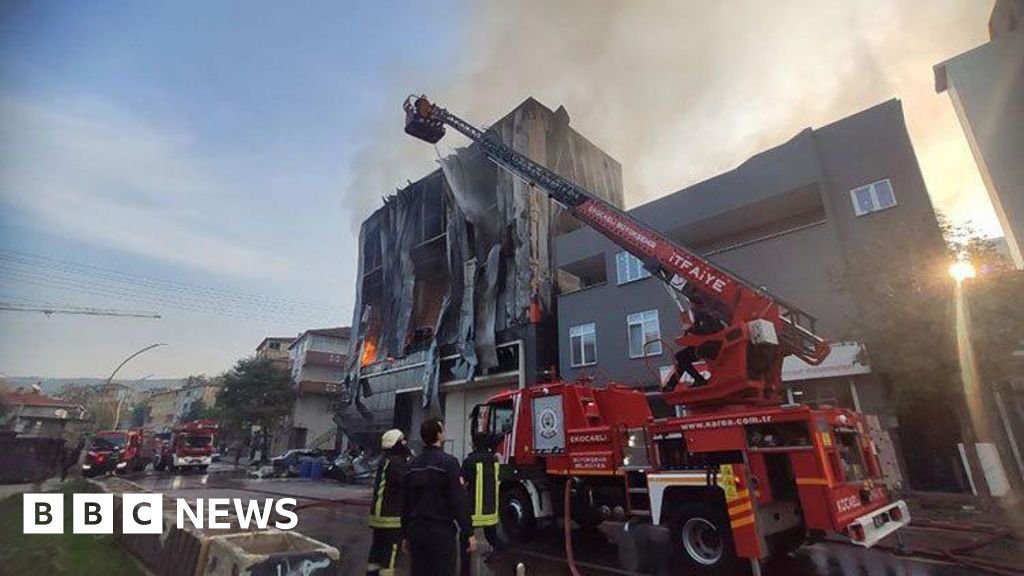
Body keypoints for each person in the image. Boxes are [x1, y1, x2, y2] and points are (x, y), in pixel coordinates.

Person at [401, 419, 475, 576]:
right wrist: (468, 531)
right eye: (443, 430)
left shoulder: (412, 465)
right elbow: (458, 499)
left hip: (416, 531)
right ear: (439, 435)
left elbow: (406, 503)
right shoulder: (449, 463)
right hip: (441, 532)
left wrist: (405, 534)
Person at [366, 429, 410, 576]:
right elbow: (407, 482)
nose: (405, 443)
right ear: (396, 444)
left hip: (379, 516)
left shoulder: (386, 460)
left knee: (376, 552)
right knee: (389, 556)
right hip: (391, 517)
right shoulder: (396, 462)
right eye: (402, 441)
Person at [460, 437, 501, 575]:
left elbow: (461, 482)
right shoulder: (494, 460)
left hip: (474, 512)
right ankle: (502, 560)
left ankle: (465, 571)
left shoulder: (469, 461)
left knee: (465, 541)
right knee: (492, 537)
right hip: (491, 511)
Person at [663, 306, 725, 391]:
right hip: (708, 344)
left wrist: (690, 329)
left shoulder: (706, 315)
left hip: (711, 346)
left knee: (681, 357)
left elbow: (705, 331)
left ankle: (697, 380)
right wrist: (688, 331)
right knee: (682, 358)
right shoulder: (706, 314)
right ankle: (671, 384)